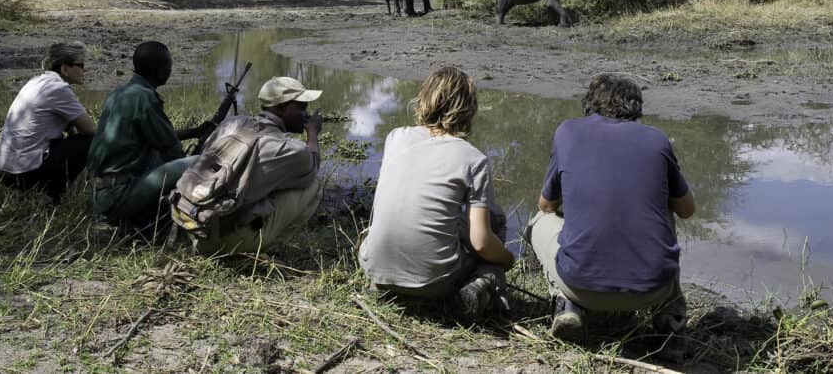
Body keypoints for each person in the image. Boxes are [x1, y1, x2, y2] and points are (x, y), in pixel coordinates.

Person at [526, 74, 695, 347]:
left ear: (590, 104)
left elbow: (546, 205)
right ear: (635, 107)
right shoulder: (657, 140)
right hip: (652, 289)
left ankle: (567, 305)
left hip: (579, 284)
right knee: (665, 212)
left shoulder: (567, 132)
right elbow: (686, 210)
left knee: (538, 222)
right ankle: (669, 319)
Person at [359, 66, 514, 319]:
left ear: (424, 98)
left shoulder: (395, 137)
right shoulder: (473, 159)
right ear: (468, 108)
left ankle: (386, 285)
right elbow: (481, 241)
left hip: (373, 265)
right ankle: (483, 282)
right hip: (433, 281)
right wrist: (507, 260)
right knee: (494, 220)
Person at [188, 76, 325, 255]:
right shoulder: (292, 149)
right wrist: (312, 134)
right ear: (281, 108)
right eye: (301, 107)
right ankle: (260, 244)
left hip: (193, 228)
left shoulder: (232, 123)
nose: (306, 114)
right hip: (228, 242)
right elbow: (313, 164)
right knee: (314, 185)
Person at [86, 41, 212, 230]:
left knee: (156, 156)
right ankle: (193, 216)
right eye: (168, 65)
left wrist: (194, 132)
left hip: (101, 194)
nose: (170, 70)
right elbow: (170, 148)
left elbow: (153, 135)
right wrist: (189, 168)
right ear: (158, 70)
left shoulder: (120, 93)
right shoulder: (145, 98)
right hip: (118, 196)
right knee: (200, 163)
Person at [0, 42, 96, 204]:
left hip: (2, 169)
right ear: (64, 68)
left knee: (67, 141)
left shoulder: (37, 81)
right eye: (80, 65)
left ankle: (44, 191)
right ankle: (52, 196)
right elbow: (91, 130)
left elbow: (70, 131)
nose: (84, 70)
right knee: (91, 142)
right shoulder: (58, 89)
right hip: (22, 171)